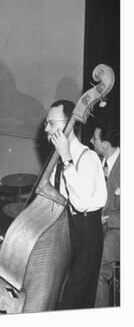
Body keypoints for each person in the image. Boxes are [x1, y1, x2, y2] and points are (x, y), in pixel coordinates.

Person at [44, 100, 107, 310]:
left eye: (51, 124)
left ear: (68, 125)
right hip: (67, 231)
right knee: (62, 298)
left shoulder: (88, 158)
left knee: (74, 301)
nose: (46, 129)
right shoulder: (56, 157)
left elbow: (81, 204)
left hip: (87, 235)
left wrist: (66, 157)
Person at [90, 120, 120, 307]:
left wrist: (107, 218)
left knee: (98, 267)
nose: (91, 140)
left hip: (119, 229)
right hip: (101, 224)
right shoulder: (97, 161)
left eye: (94, 138)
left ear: (106, 145)